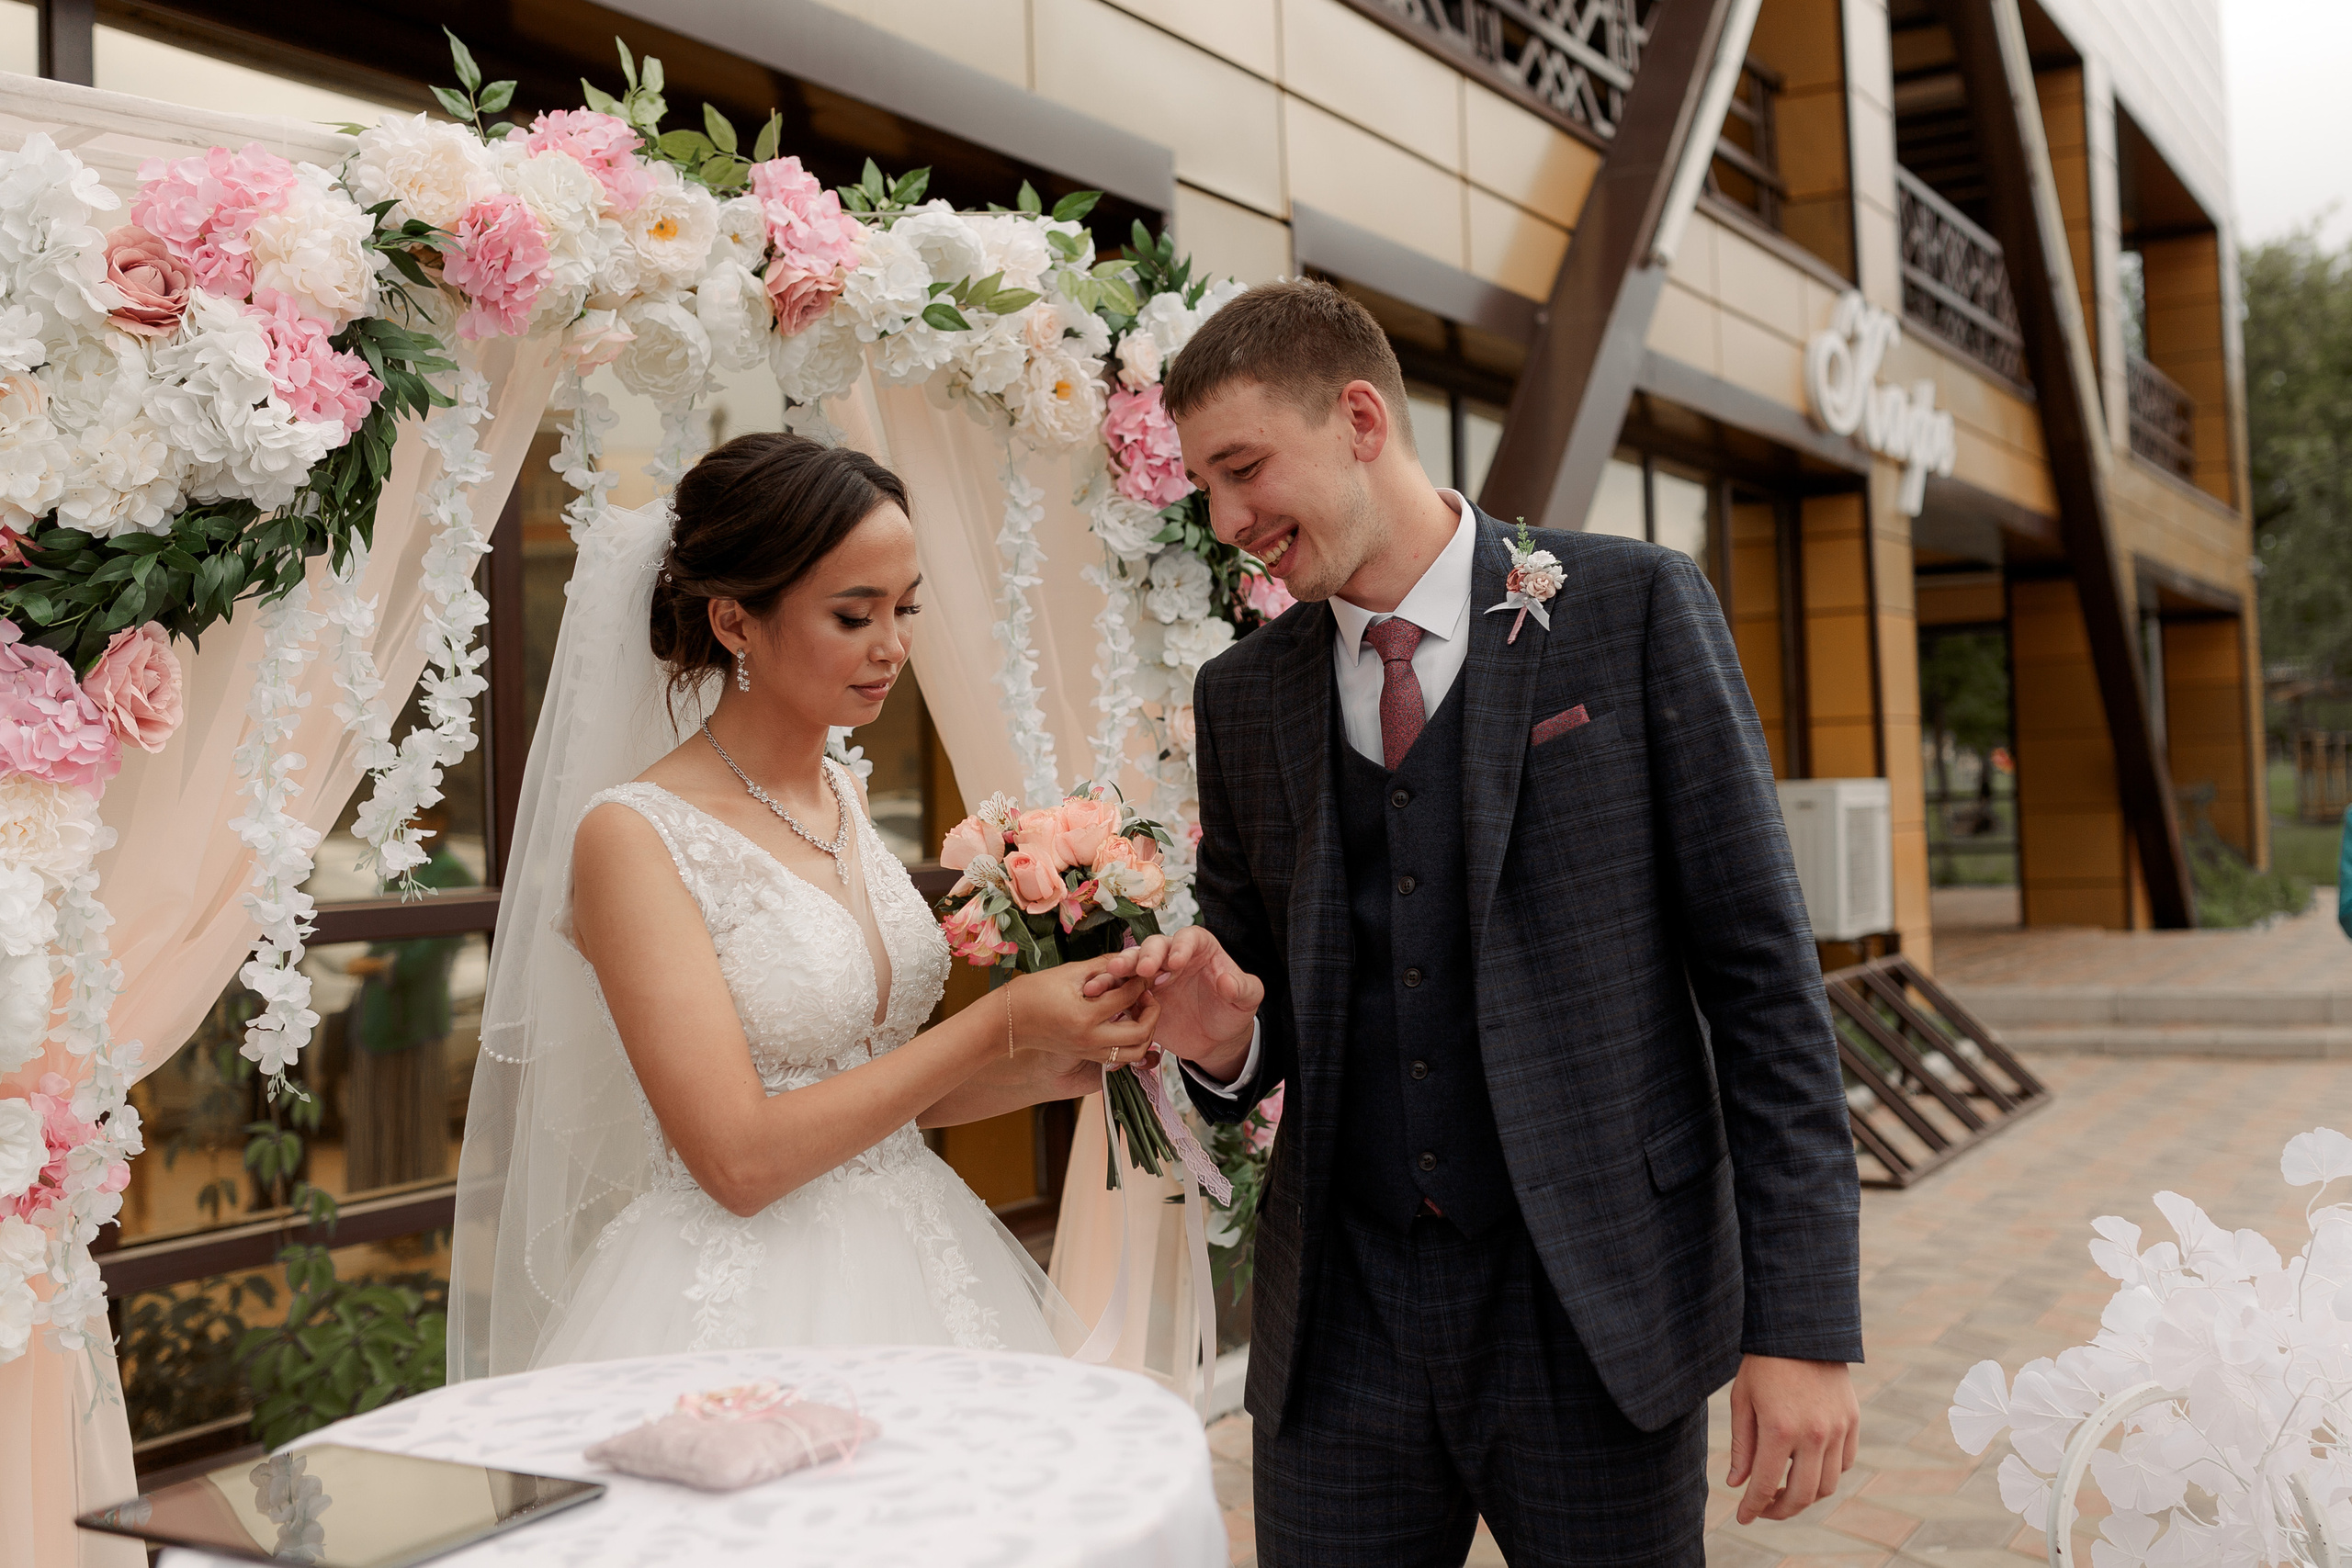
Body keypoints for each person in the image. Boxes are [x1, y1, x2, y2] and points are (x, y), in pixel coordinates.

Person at [1089, 281, 1863, 1566]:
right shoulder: (1242, 696)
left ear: (1359, 418)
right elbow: (1258, 1010)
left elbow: (1764, 985)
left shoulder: (1633, 607)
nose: (1225, 522)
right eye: (1204, 489)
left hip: (1597, 1305)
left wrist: (1803, 1326)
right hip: (1341, 1323)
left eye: (1243, 469)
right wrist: (1224, 1038)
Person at [448, 433, 1155, 1377]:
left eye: (905, 608)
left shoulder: (843, 795)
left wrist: (1059, 1064)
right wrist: (1000, 1025)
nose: (892, 646)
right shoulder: (634, 835)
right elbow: (738, 1161)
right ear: (735, 622)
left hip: (919, 1259)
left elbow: (865, 1090)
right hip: (748, 1299)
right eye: (854, 615)